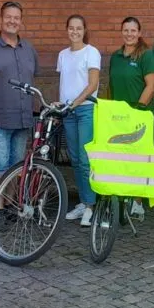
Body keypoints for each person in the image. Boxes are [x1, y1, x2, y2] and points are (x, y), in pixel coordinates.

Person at [0, 1, 40, 190]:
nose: (12, 21)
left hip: (22, 120)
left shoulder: (29, 49)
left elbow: (32, 78)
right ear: (1, 20)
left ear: (21, 21)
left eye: (16, 18)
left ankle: (10, 204)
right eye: (8, 17)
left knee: (17, 166)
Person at [106, 16, 154, 220]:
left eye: (133, 30)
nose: (129, 34)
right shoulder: (115, 57)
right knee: (119, 159)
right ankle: (121, 198)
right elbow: (111, 85)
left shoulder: (145, 55)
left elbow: (151, 85)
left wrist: (137, 109)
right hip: (117, 117)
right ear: (122, 32)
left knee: (137, 160)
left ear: (139, 33)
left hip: (138, 116)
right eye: (126, 30)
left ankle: (137, 203)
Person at [58, 15, 101, 227]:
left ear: (85, 30)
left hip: (85, 110)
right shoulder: (63, 55)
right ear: (67, 30)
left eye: (79, 28)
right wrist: (62, 103)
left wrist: (75, 102)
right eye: (71, 28)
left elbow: (93, 84)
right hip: (68, 112)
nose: (75, 32)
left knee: (85, 160)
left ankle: (91, 204)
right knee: (74, 159)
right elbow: (66, 82)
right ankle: (83, 203)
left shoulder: (91, 52)